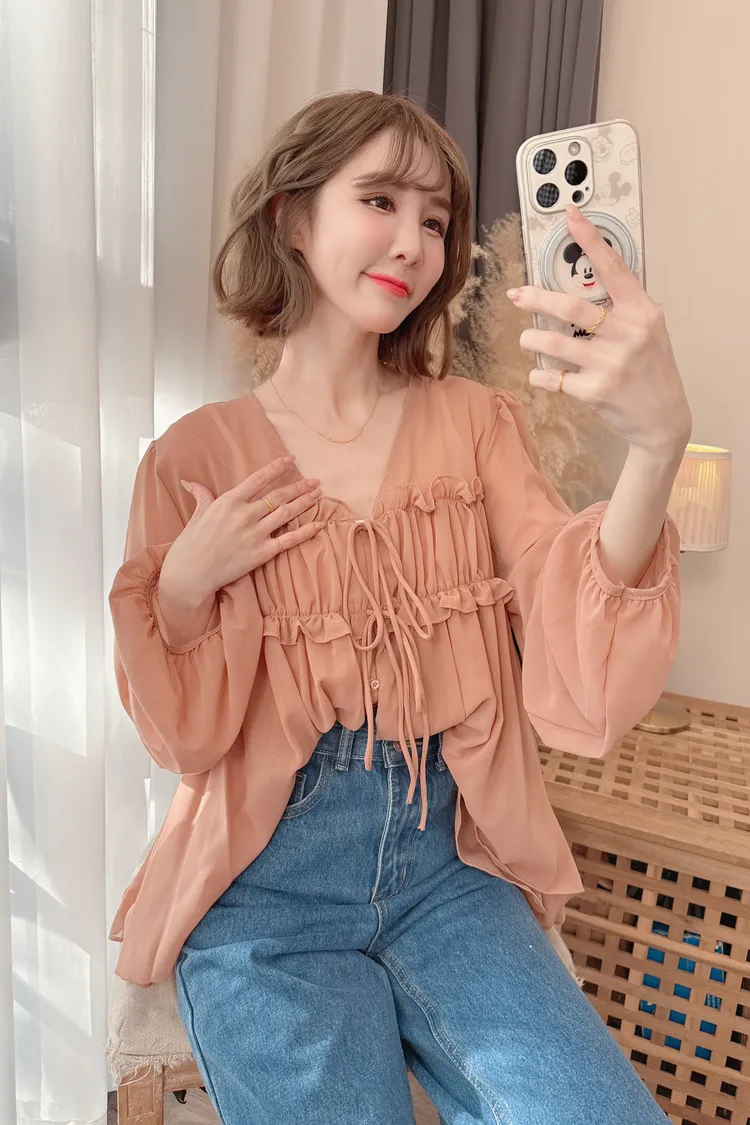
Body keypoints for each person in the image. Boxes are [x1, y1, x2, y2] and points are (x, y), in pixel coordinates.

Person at [108, 90, 690, 1124]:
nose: (414, 243)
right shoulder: (194, 457)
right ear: (293, 217)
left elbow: (563, 594)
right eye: (379, 200)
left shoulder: (476, 423)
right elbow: (182, 735)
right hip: (264, 888)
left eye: (436, 219)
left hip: (448, 867)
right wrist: (186, 585)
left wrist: (655, 447)